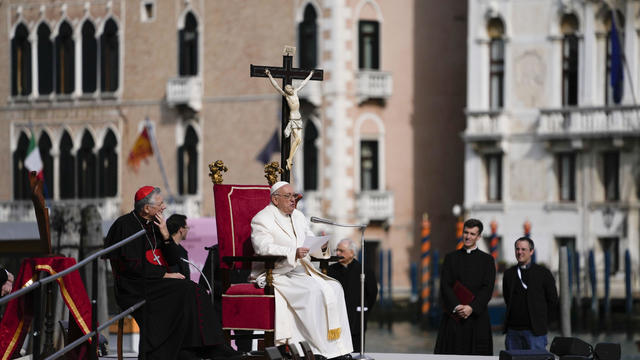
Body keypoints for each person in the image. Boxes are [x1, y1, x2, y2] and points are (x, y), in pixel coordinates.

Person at [104, 186, 242, 360]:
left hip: (155, 283)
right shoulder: (124, 225)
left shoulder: (155, 225)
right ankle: (210, 347)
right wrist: (163, 275)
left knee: (194, 291)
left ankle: (192, 350)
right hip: (134, 286)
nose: (164, 207)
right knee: (188, 289)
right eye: (160, 204)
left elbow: (174, 260)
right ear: (147, 208)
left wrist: (165, 234)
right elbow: (131, 266)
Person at [250, 181, 353, 359]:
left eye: (294, 196)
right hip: (277, 272)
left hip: (301, 271)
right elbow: (262, 247)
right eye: (288, 196)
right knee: (312, 292)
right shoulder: (262, 219)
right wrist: (292, 252)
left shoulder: (298, 216)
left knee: (335, 288)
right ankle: (316, 350)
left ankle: (337, 349)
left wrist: (321, 246)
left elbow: (310, 239)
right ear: (275, 199)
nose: (293, 200)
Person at [434, 218, 496, 355]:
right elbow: (445, 285)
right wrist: (457, 307)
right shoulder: (450, 258)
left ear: (478, 237)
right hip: (454, 317)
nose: (468, 237)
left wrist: (471, 308)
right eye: (466, 232)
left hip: (477, 319)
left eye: (472, 234)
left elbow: (488, 288)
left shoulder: (487, 260)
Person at [503, 237, 558, 350]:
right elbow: (507, 298)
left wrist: (542, 322)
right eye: (517, 249)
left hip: (535, 333)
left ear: (531, 251)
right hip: (513, 332)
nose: (519, 252)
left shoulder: (543, 273)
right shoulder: (509, 274)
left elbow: (553, 300)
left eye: (523, 249)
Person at [327, 239, 378, 353]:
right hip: (336, 318)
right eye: (337, 250)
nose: (338, 254)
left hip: (356, 318)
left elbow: (372, 294)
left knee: (356, 350)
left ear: (352, 253)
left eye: (341, 251)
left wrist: (364, 309)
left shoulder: (364, 270)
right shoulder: (331, 270)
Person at [265, 69, 314, 171]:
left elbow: (303, 83)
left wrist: (310, 74)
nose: (289, 90)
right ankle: (289, 159)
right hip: (293, 119)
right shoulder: (287, 96)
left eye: (289, 88)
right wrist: (270, 75)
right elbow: (277, 87)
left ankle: (290, 158)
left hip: (299, 118)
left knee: (299, 140)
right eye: (287, 89)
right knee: (296, 139)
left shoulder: (295, 92)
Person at [166, 214, 190, 279]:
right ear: (181, 229)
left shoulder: (162, 246)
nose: (187, 230)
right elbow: (186, 277)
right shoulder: (179, 252)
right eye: (187, 227)